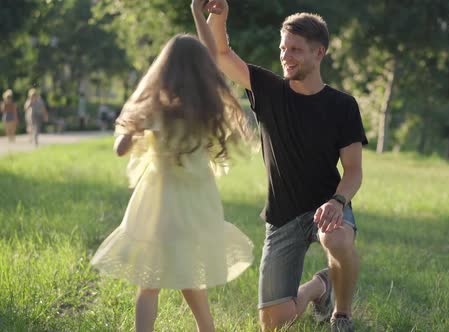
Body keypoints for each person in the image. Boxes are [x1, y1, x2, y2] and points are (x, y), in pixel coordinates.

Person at [204, 2, 368, 331]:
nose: (285, 56)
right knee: (274, 324)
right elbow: (220, 54)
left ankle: (342, 315)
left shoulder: (342, 106)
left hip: (328, 207)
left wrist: (338, 202)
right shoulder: (268, 89)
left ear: (319, 52)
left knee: (335, 240)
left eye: (295, 50)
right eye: (283, 48)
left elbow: (353, 170)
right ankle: (318, 288)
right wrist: (219, 14)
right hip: (282, 216)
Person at [91, 2, 254, 331]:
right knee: (190, 272)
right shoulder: (207, 107)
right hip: (197, 203)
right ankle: (207, 329)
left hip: (159, 202)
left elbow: (121, 150)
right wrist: (197, 10)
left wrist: (130, 124)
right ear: (202, 72)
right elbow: (211, 56)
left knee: (149, 282)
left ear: (163, 69)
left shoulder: (156, 107)